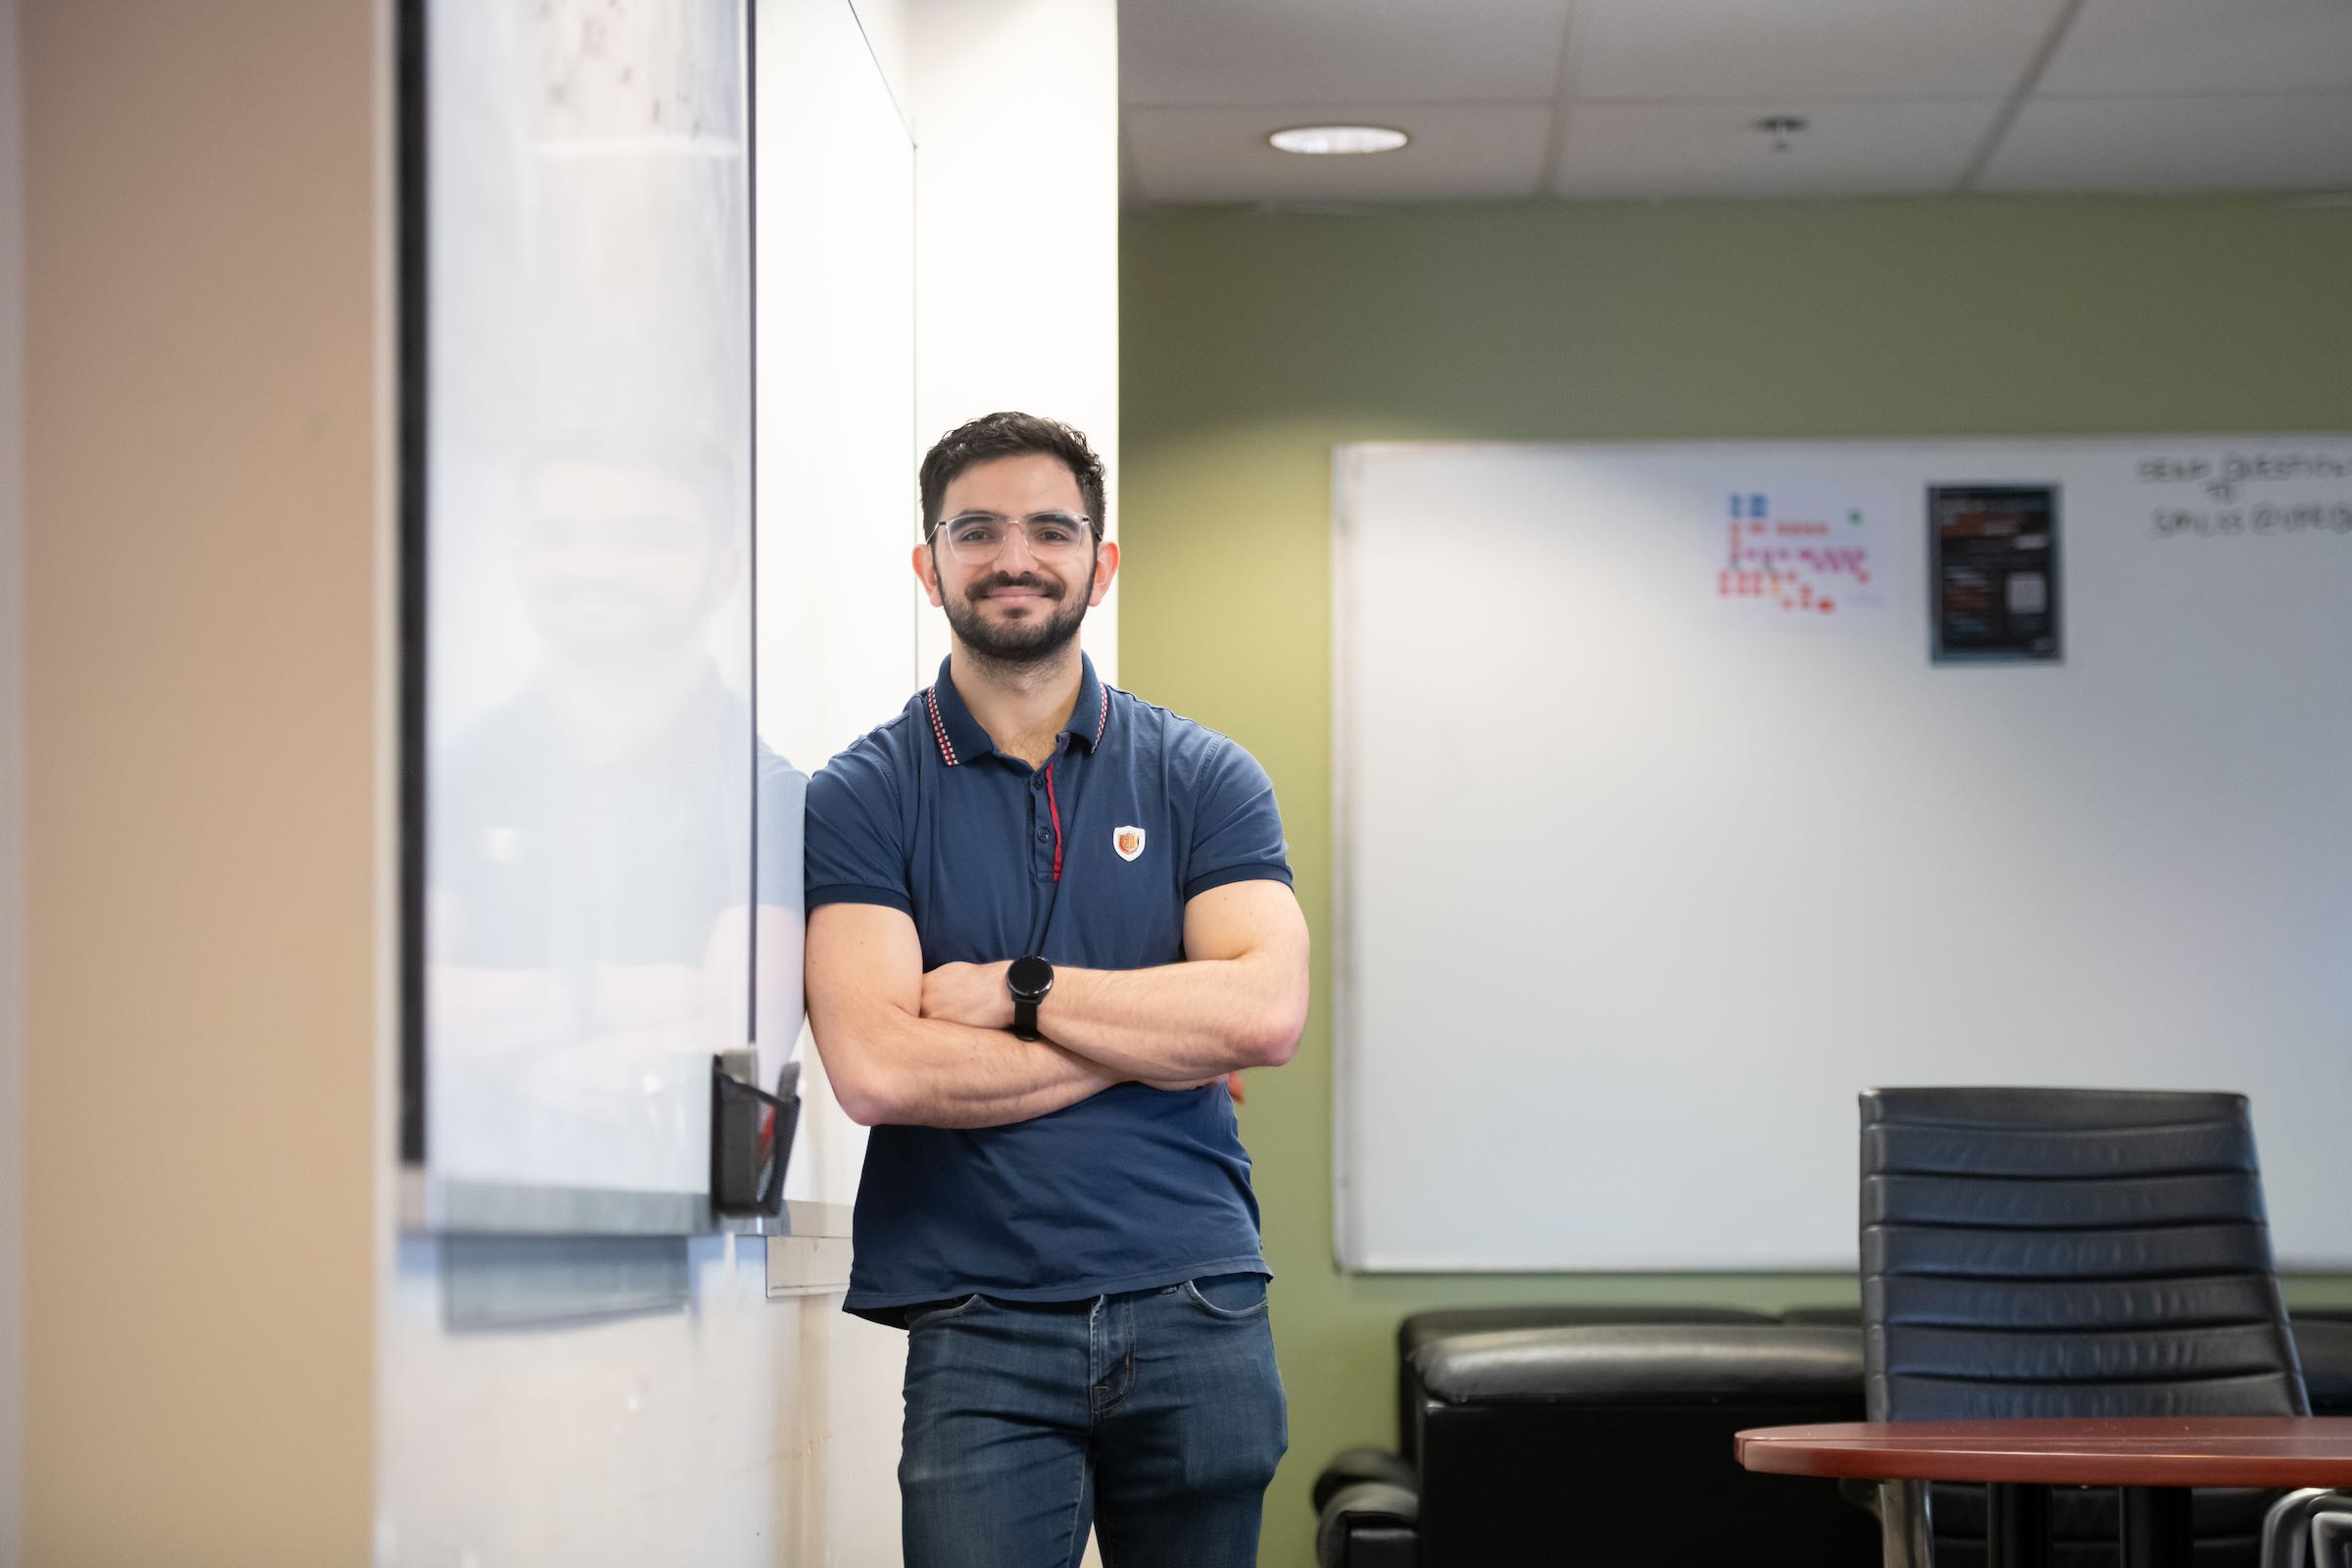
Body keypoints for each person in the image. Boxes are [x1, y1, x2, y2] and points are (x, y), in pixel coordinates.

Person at [803, 411, 1310, 1567]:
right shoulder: (863, 795)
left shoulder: (1202, 775)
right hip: (979, 1318)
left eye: (1051, 528)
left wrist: (1019, 991)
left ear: (1102, 562)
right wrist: (1152, 1030)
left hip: (1199, 1296)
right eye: (977, 530)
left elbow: (1265, 1014)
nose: (1015, 556)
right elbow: (879, 1068)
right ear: (930, 567)